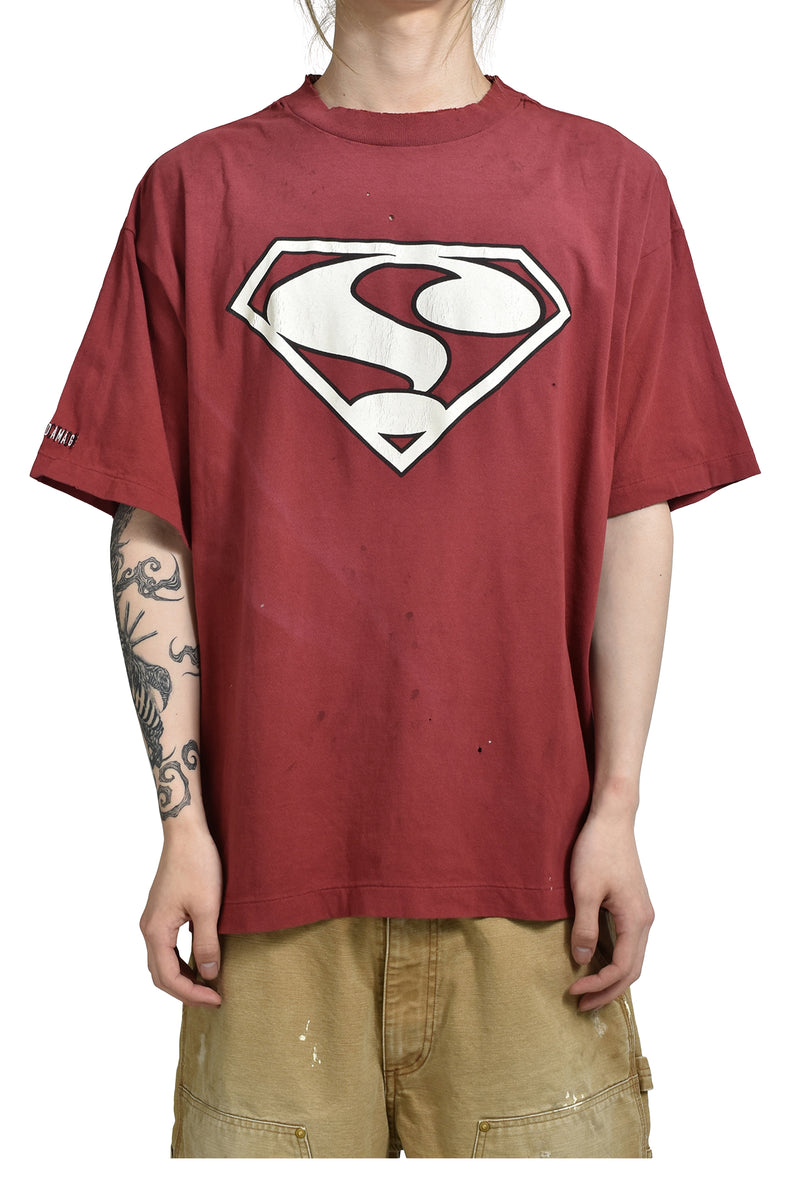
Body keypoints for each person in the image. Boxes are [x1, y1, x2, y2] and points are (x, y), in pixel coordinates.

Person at [29, 0, 760, 1159]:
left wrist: (615, 810)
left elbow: (635, 515)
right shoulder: (196, 191)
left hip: (532, 885)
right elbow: (150, 529)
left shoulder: (607, 186)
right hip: (266, 894)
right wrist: (182, 826)